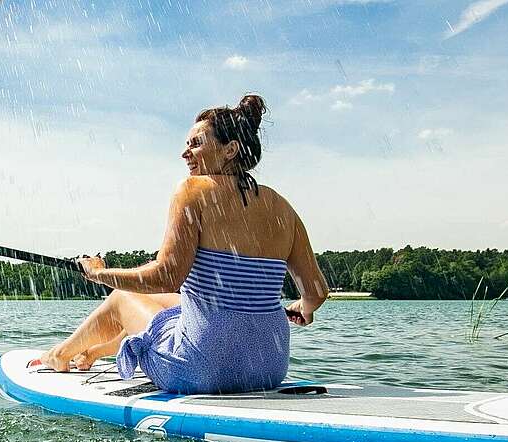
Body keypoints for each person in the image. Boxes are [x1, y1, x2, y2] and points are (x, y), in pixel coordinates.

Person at [39, 94, 329, 394]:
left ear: (230, 149)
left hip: (202, 369)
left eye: (196, 144)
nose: (184, 153)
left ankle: (60, 355)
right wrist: (302, 308)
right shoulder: (282, 207)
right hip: (269, 369)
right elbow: (317, 292)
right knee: (172, 305)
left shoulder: (192, 190)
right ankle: (92, 352)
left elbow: (166, 276)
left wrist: (97, 273)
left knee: (121, 297)